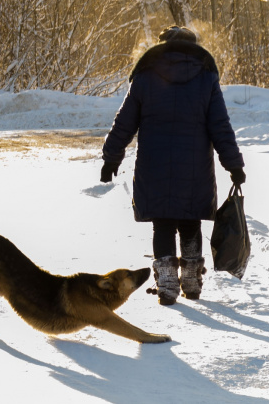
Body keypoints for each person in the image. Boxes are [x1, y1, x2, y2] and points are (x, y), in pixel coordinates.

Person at [100, 26, 245, 305]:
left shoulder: (145, 75)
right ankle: (191, 277)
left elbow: (124, 123)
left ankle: (167, 283)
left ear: (162, 45)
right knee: (189, 222)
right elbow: (221, 127)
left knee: (163, 224)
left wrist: (111, 158)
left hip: (154, 167)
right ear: (193, 46)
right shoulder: (206, 76)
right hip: (195, 169)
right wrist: (234, 165)